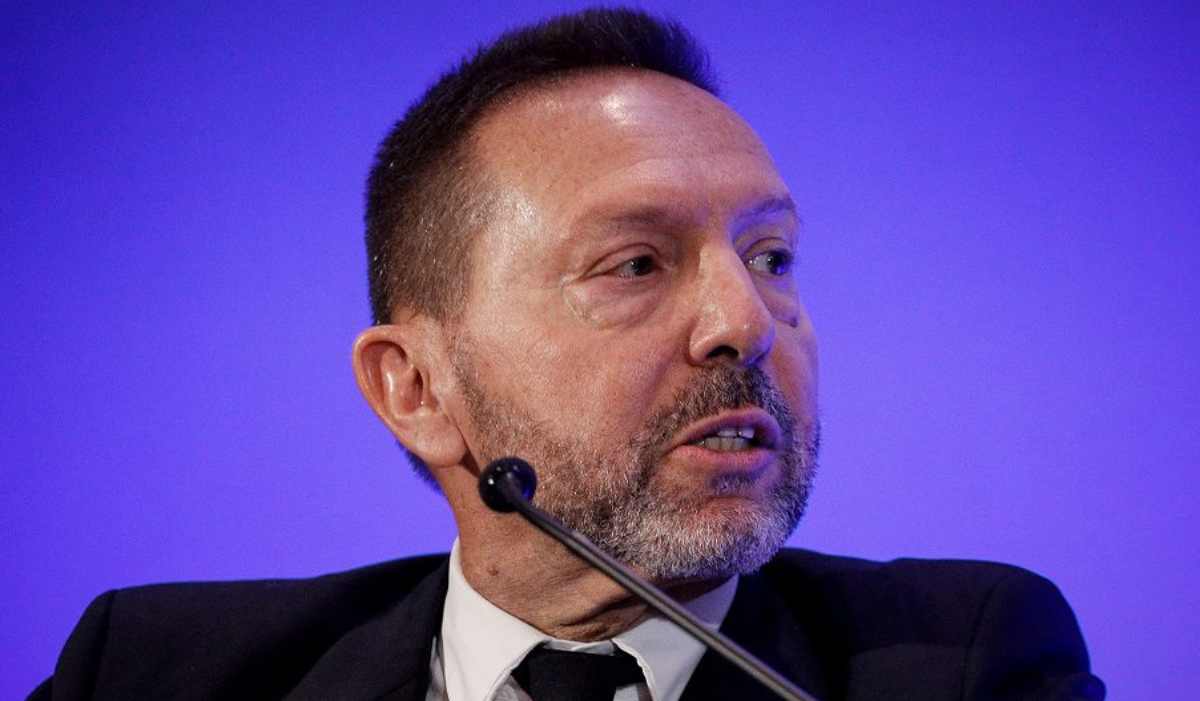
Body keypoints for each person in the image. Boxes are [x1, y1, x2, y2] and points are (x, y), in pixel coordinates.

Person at [31, 7, 1104, 701]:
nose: (744, 322)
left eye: (770, 256)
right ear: (416, 387)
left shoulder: (966, 660)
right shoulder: (155, 670)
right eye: (635, 264)